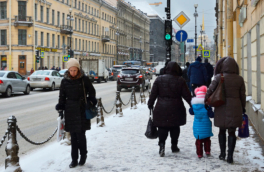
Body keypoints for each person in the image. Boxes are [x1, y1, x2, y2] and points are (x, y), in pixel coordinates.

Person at [55, 58, 97, 168]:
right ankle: (74, 159)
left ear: (78, 69)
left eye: (75, 70)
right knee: (73, 136)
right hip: (70, 110)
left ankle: (83, 156)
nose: (73, 73)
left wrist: (91, 100)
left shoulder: (84, 79)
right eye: (71, 70)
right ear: (68, 70)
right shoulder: (64, 81)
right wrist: (60, 107)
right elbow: (62, 96)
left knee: (81, 135)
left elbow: (92, 91)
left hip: (82, 109)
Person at [205, 57, 246, 164]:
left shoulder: (219, 77)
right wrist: (243, 107)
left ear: (223, 67)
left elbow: (210, 90)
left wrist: (206, 100)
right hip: (235, 107)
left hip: (221, 106)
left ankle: (222, 153)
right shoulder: (239, 79)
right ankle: (230, 156)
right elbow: (242, 95)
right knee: (232, 132)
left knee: (222, 130)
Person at [148, 61, 192, 157]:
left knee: (162, 127)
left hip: (161, 107)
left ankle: (162, 145)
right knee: (175, 127)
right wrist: (194, 105)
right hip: (176, 107)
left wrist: (150, 104)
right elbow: (187, 95)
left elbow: (153, 94)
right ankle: (174, 146)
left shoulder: (159, 79)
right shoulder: (180, 80)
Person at [189, 86, 214, 158]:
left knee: (199, 141)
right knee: (207, 140)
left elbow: (191, 112)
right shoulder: (207, 106)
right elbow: (211, 115)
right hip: (206, 126)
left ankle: (199, 153)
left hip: (197, 127)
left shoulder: (194, 106)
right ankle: (207, 150)